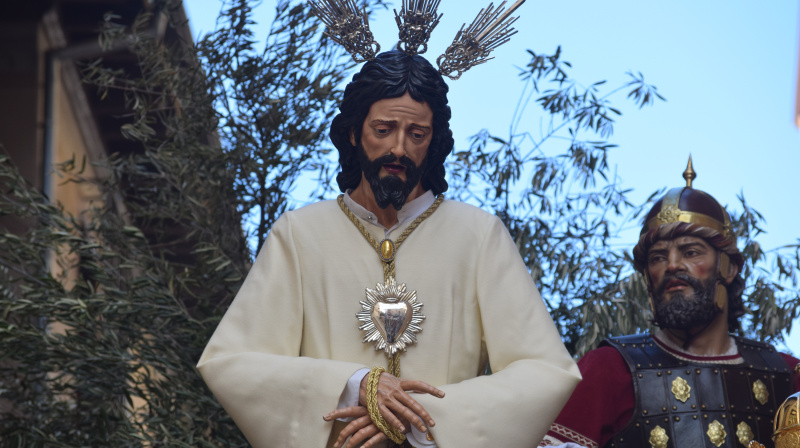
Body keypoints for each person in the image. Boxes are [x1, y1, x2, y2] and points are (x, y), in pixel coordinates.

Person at [197, 48, 580, 448]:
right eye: (383, 129)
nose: (399, 148)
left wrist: (419, 420)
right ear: (353, 132)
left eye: (417, 135)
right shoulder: (299, 234)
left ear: (432, 142)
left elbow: (546, 371)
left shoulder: (478, 235)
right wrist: (352, 385)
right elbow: (231, 363)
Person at [539, 160, 800, 448]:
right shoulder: (607, 370)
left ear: (728, 268)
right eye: (658, 258)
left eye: (690, 252)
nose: (673, 265)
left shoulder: (788, 375)